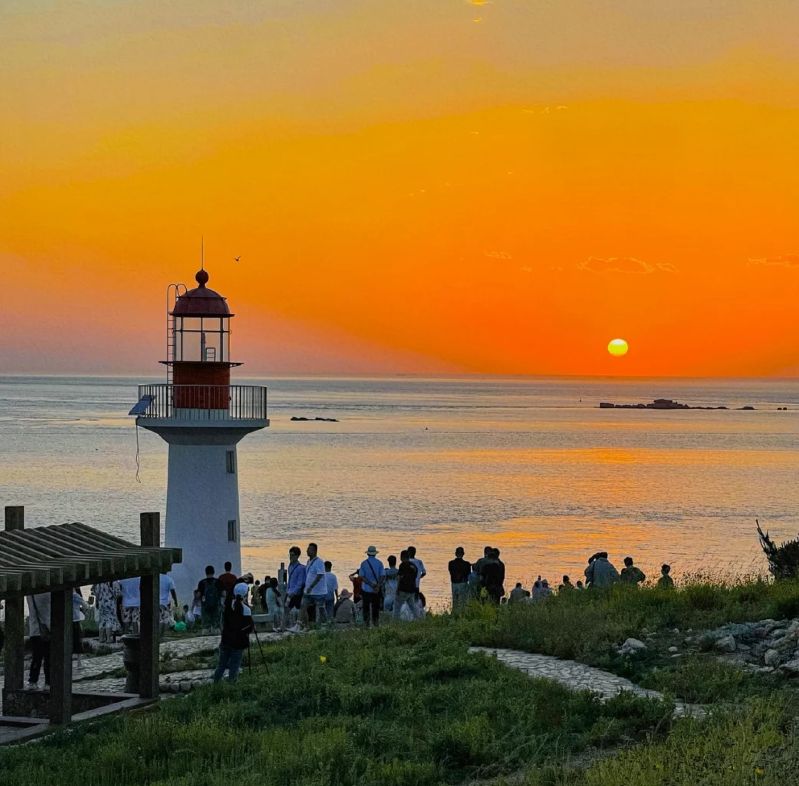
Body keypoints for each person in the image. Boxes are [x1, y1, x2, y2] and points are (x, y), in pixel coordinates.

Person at [213, 583, 254, 684]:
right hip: (238, 644)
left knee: (221, 666)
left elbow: (222, 623)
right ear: (245, 595)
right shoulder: (246, 610)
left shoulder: (227, 606)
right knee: (234, 667)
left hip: (225, 641)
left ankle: (215, 685)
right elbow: (249, 628)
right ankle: (232, 688)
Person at [26, 592, 51, 689]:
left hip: (34, 629)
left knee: (36, 657)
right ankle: (48, 682)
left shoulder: (30, 594)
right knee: (48, 658)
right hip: (46, 629)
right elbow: (47, 613)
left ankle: (33, 681)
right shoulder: (47, 593)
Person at [302, 542, 329, 627]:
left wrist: (311, 586)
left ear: (314, 551)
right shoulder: (308, 561)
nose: (307, 551)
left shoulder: (319, 562)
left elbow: (320, 575)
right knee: (303, 606)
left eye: (309, 549)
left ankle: (324, 624)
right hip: (309, 591)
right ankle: (304, 625)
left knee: (320, 608)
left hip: (318, 591)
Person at [359, 545, 385, 628]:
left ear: (368, 554)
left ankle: (366, 625)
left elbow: (362, 577)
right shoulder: (380, 563)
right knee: (375, 608)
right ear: (375, 554)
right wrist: (378, 586)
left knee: (366, 608)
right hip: (376, 591)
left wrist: (370, 584)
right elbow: (383, 576)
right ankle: (376, 624)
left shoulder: (363, 563)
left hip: (366, 589)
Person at [393, 550, 419, 620]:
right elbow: (415, 578)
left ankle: (395, 621)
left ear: (402, 557)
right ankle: (418, 618)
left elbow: (399, 578)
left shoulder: (403, 565)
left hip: (403, 589)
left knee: (397, 606)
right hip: (412, 589)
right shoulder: (414, 566)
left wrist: (397, 589)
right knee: (412, 606)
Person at [196, 565, 223, 633]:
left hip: (205, 606)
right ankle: (215, 633)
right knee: (216, 625)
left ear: (205, 572)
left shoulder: (202, 582)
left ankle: (206, 632)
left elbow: (198, 595)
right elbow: (224, 594)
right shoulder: (218, 582)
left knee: (206, 625)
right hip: (216, 605)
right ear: (213, 572)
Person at [286, 545, 306, 630]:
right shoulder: (290, 566)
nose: (291, 557)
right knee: (286, 609)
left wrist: (293, 592)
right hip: (290, 592)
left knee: (302, 609)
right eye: (290, 555)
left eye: (293, 555)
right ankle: (283, 626)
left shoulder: (301, 568)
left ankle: (305, 625)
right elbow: (290, 580)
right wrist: (288, 590)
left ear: (297, 556)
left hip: (297, 593)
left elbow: (300, 582)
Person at [448, 547, 471, 612]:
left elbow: (451, 572)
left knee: (455, 601)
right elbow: (469, 574)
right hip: (463, 583)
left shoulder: (451, 563)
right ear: (463, 554)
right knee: (463, 602)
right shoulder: (467, 564)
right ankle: (462, 614)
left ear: (455, 554)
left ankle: (454, 613)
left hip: (454, 583)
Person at [72, 589, 88, 669]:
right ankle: (79, 663)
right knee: (78, 641)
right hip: (75, 620)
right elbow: (85, 605)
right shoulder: (75, 595)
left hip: (65, 621)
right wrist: (83, 611)